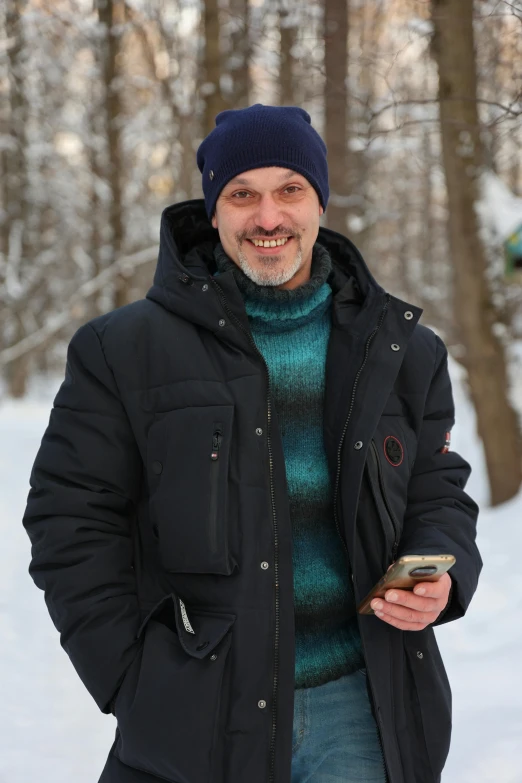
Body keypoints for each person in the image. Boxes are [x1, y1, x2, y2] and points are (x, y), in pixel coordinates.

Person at [23, 104, 482, 783]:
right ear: (212, 209)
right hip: (196, 721)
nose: (268, 218)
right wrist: (133, 679)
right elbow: (70, 524)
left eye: (290, 189)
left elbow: (436, 489)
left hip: (362, 710)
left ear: (320, 201)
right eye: (242, 194)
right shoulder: (122, 351)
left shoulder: (402, 350)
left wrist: (436, 574)